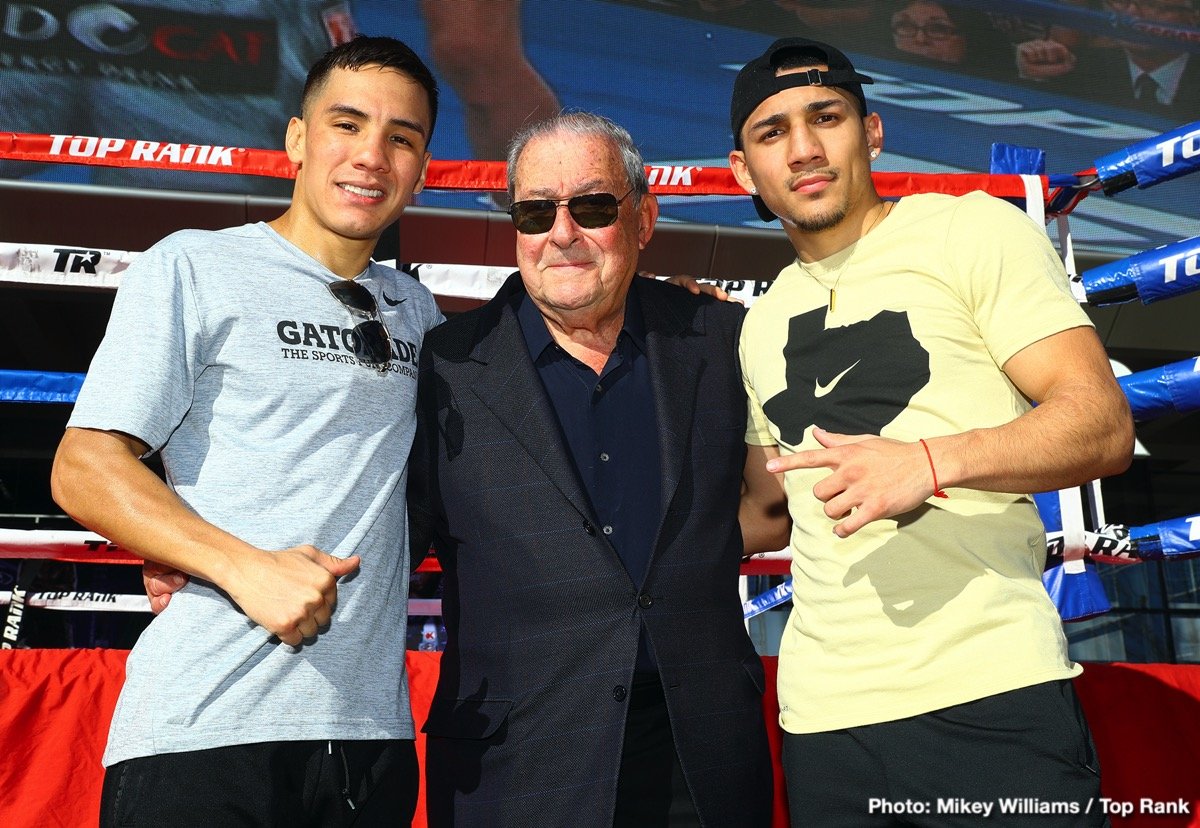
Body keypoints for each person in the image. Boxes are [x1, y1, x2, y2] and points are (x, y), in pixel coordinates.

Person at [727, 36, 1134, 824]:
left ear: (872, 132)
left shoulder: (971, 232)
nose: (804, 149)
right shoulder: (761, 320)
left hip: (991, 690)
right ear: (744, 171)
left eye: (827, 117)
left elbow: (1102, 424)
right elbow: (765, 514)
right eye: (772, 132)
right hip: (825, 724)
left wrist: (927, 461)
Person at [50, 35, 444, 826]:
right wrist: (238, 565)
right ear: (297, 139)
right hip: (203, 728)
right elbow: (84, 466)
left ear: (422, 169)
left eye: (401, 137)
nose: (372, 154)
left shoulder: (421, 312)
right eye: (347, 124)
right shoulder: (194, 264)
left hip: (368, 741)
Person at [408, 112, 774, 827]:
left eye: (594, 206)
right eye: (536, 210)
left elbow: (777, 505)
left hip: (700, 764)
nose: (563, 233)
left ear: (643, 219)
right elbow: (377, 526)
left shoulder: (721, 338)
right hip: (515, 768)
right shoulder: (443, 364)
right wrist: (208, 559)